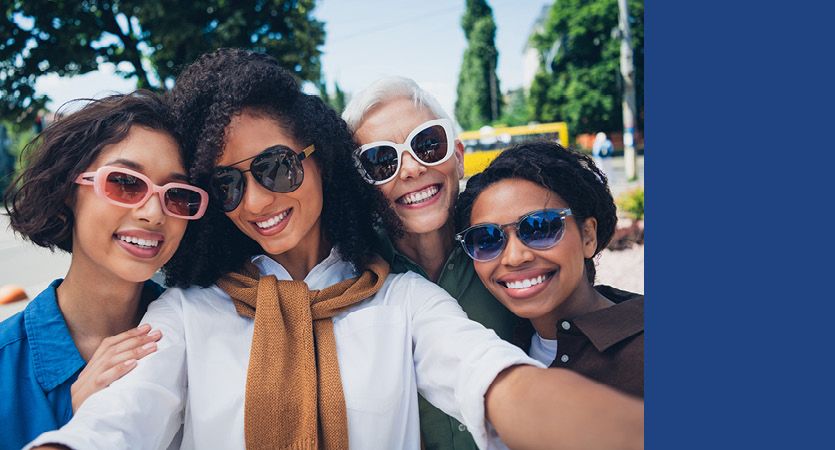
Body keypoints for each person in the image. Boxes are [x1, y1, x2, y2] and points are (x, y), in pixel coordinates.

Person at [27, 49, 641, 450]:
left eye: (275, 167)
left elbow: (495, 380)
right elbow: (118, 424)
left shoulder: (399, 298)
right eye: (228, 183)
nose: (258, 200)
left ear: (320, 158)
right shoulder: (186, 314)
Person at [0, 91, 209, 449]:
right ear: (69, 189)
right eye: (126, 183)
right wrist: (78, 425)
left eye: (176, 195)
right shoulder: (6, 364)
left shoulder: (207, 336)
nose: (154, 213)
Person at [340, 75, 529, 450]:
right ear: (363, 187)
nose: (410, 169)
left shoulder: (513, 248)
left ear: (457, 158)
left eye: (427, 145)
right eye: (381, 161)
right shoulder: (349, 277)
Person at [455, 141, 643, 398]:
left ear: (588, 236)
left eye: (540, 228)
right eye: (487, 239)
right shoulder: (500, 348)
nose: (514, 257)